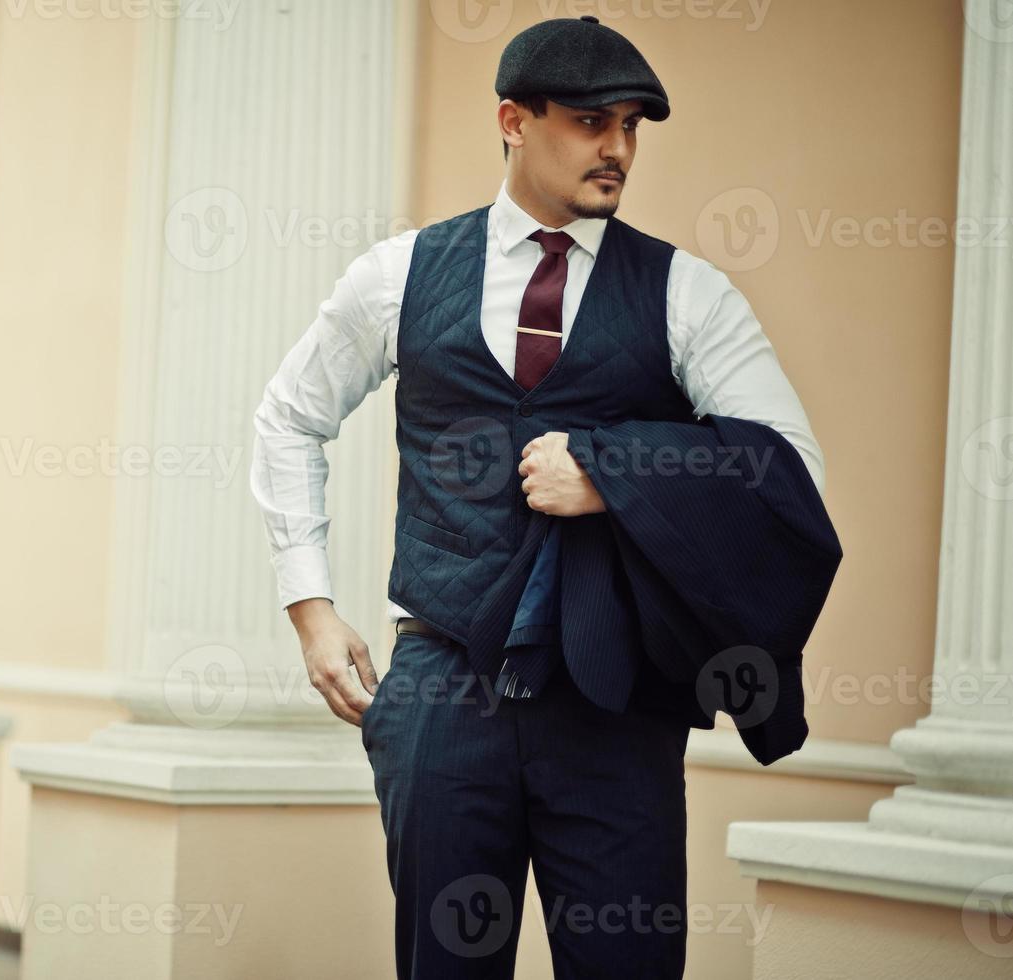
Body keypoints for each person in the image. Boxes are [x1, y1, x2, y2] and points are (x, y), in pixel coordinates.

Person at [249, 16, 829, 979]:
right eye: (592, 121)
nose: (618, 149)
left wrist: (612, 471)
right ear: (513, 120)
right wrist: (310, 609)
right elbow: (286, 418)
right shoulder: (397, 276)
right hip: (440, 697)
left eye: (634, 126)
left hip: (614, 711)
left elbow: (785, 472)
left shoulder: (687, 294)